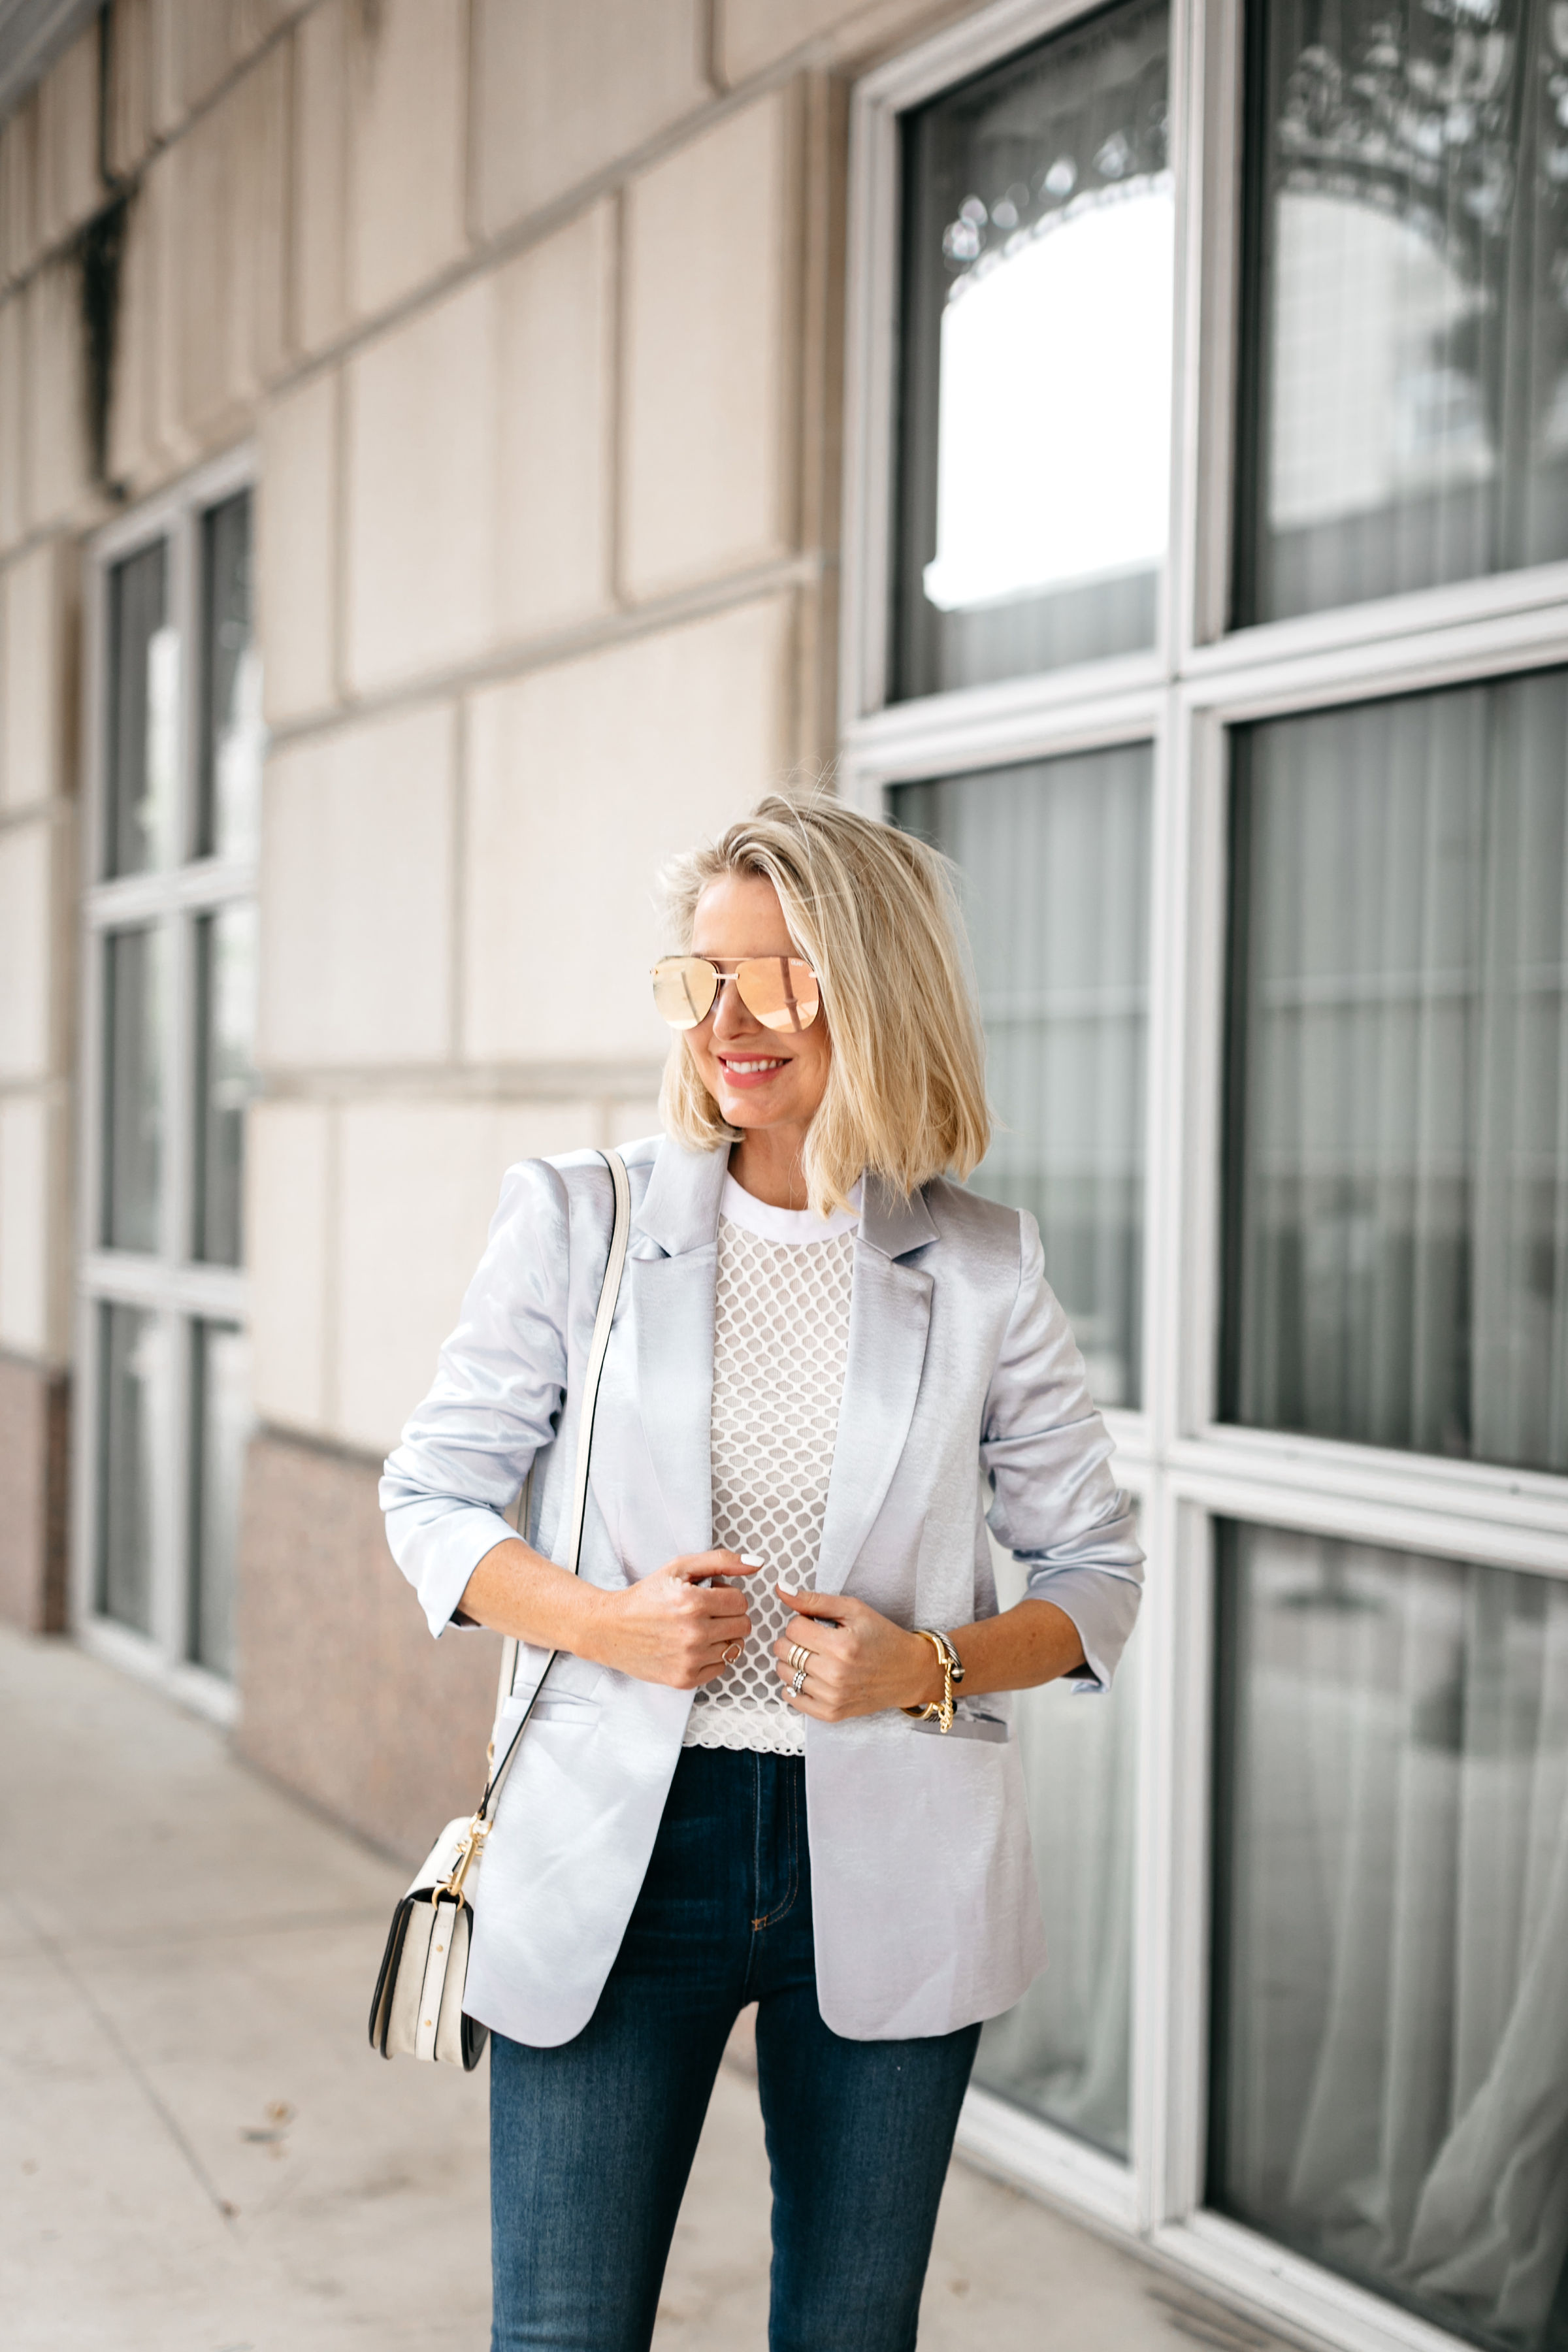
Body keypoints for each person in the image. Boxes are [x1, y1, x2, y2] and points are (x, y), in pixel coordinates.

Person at [380, 791, 1143, 2352]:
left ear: (872, 988)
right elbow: (435, 1495)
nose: (729, 1017)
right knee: (566, 2330)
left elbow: (1096, 1573)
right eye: (703, 974)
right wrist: (607, 1621)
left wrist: (920, 1667)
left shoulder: (983, 1264)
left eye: (779, 972)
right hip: (619, 1846)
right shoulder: (577, 1221)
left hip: (889, 1853)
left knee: (851, 2334)